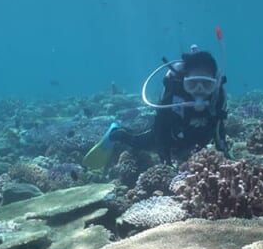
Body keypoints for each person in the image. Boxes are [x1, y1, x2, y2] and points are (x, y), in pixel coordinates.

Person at [83, 45, 228, 169]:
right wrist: (166, 161)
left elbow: (219, 130)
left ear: (215, 84)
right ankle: (115, 133)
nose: (199, 90)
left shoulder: (217, 98)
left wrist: (225, 155)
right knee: (139, 142)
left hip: (195, 140)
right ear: (184, 81)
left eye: (206, 84)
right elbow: (160, 130)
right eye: (192, 84)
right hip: (168, 137)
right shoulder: (173, 95)